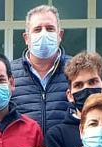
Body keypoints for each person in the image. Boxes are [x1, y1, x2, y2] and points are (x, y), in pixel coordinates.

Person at [9, 5, 71, 134]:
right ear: (26, 38)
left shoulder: (76, 71)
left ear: (60, 35)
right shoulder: (8, 74)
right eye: (37, 29)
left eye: (50, 28)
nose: (44, 34)